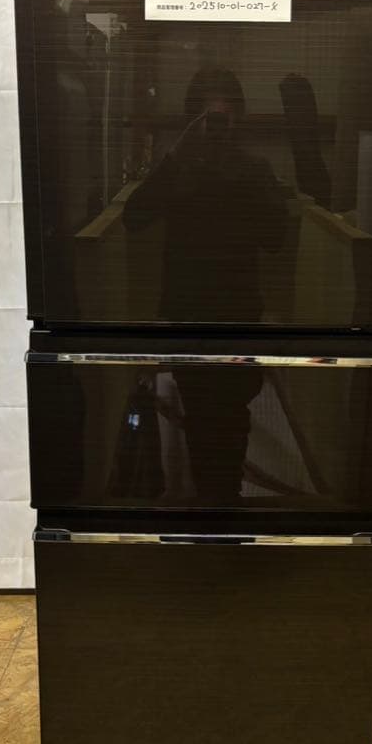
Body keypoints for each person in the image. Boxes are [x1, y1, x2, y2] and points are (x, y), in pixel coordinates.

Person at [123, 67, 288, 500]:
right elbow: (134, 218)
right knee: (201, 415)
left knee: (230, 415)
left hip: (236, 315)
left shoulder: (252, 168)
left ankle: (222, 505)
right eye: (208, 116)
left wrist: (241, 180)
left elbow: (275, 237)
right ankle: (216, 507)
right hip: (191, 314)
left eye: (224, 114)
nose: (217, 125)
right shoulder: (180, 169)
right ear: (193, 120)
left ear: (238, 117)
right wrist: (176, 158)